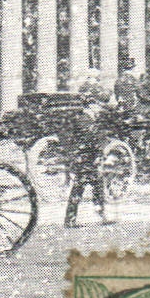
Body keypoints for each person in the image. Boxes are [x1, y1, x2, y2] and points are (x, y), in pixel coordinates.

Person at [64, 82, 111, 228]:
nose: (100, 108)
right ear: (91, 105)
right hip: (85, 160)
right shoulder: (84, 119)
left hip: (88, 159)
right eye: (98, 105)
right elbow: (90, 139)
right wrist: (99, 150)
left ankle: (99, 215)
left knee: (94, 188)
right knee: (80, 189)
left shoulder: (89, 118)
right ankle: (71, 219)